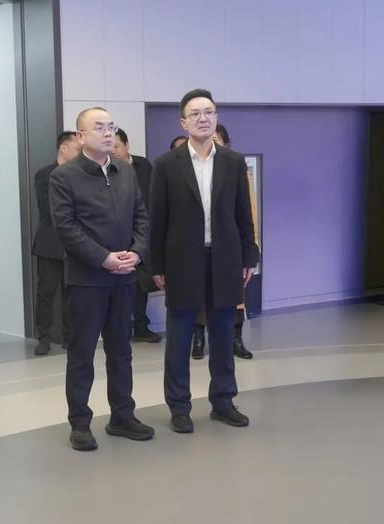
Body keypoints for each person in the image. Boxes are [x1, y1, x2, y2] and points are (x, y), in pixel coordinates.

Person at [149, 89, 259, 434]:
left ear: (216, 118)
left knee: (223, 336)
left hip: (225, 260)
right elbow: (158, 219)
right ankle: (179, 407)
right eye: (195, 113)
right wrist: (157, 265)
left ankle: (223, 402)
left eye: (208, 112)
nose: (203, 118)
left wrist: (249, 256)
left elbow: (243, 214)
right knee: (180, 338)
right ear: (183, 122)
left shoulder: (233, 161)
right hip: (182, 262)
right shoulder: (166, 164)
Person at [50, 107, 155, 451]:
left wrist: (136, 253)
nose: (108, 133)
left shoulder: (126, 171)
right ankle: (80, 422)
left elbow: (142, 216)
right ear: (80, 136)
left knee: (121, 351)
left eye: (111, 127)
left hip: (124, 277)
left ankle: (122, 416)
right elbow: (66, 228)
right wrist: (104, 258)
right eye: (99, 128)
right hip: (87, 280)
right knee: (82, 354)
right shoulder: (64, 176)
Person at [192, 124, 254, 360]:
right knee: (200, 296)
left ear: (225, 144)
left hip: (230, 248)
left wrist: (251, 251)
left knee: (235, 299)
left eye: (217, 140)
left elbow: (248, 214)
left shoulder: (236, 167)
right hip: (199, 247)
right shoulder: (191, 169)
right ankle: (199, 338)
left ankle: (235, 339)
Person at [32, 131, 81, 355]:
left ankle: (69, 337)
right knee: (46, 292)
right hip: (50, 243)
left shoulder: (81, 174)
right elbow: (49, 208)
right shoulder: (44, 175)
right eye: (77, 148)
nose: (80, 153)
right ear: (63, 147)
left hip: (75, 245)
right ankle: (43, 336)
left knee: (71, 294)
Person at [113, 128, 161, 344]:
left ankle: (141, 326)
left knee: (143, 284)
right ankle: (123, 329)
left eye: (116, 146)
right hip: (120, 234)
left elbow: (153, 196)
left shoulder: (143, 166)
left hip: (144, 232)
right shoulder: (107, 168)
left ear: (126, 146)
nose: (113, 151)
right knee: (124, 283)